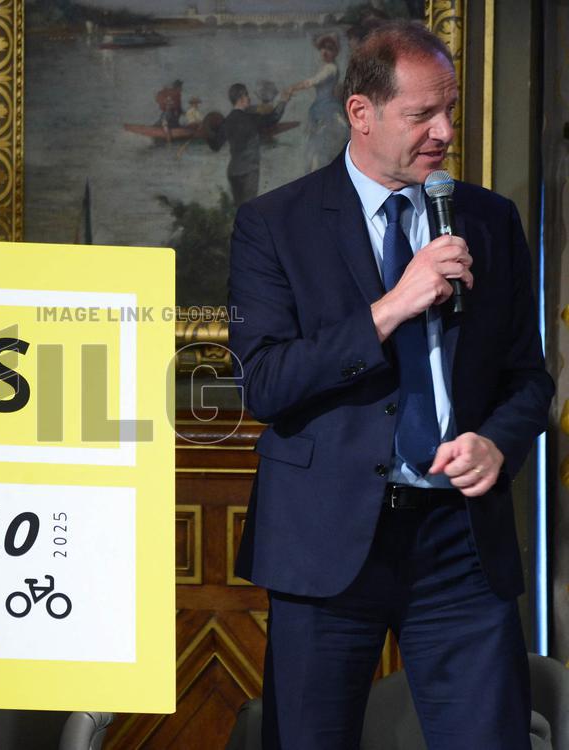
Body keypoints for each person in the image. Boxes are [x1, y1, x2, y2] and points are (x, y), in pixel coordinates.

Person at [228, 20, 553, 750]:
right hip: (327, 539)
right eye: (421, 115)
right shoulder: (273, 224)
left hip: (459, 540)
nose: (443, 132)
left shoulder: (489, 220)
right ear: (361, 113)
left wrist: (497, 444)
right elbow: (266, 384)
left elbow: (529, 381)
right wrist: (391, 306)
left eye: (451, 111)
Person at [207, 82, 292, 211]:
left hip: (233, 172)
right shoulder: (250, 119)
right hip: (249, 171)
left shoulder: (227, 121)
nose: (249, 98)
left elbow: (215, 146)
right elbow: (273, 118)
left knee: (238, 210)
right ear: (240, 98)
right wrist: (284, 101)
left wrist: (206, 131)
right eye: (247, 95)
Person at [289, 34, 349, 172]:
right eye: (322, 48)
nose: (325, 52)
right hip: (320, 107)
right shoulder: (326, 67)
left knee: (321, 147)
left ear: (335, 52)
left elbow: (312, 82)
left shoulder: (330, 68)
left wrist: (292, 88)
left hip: (327, 109)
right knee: (316, 147)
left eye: (329, 49)